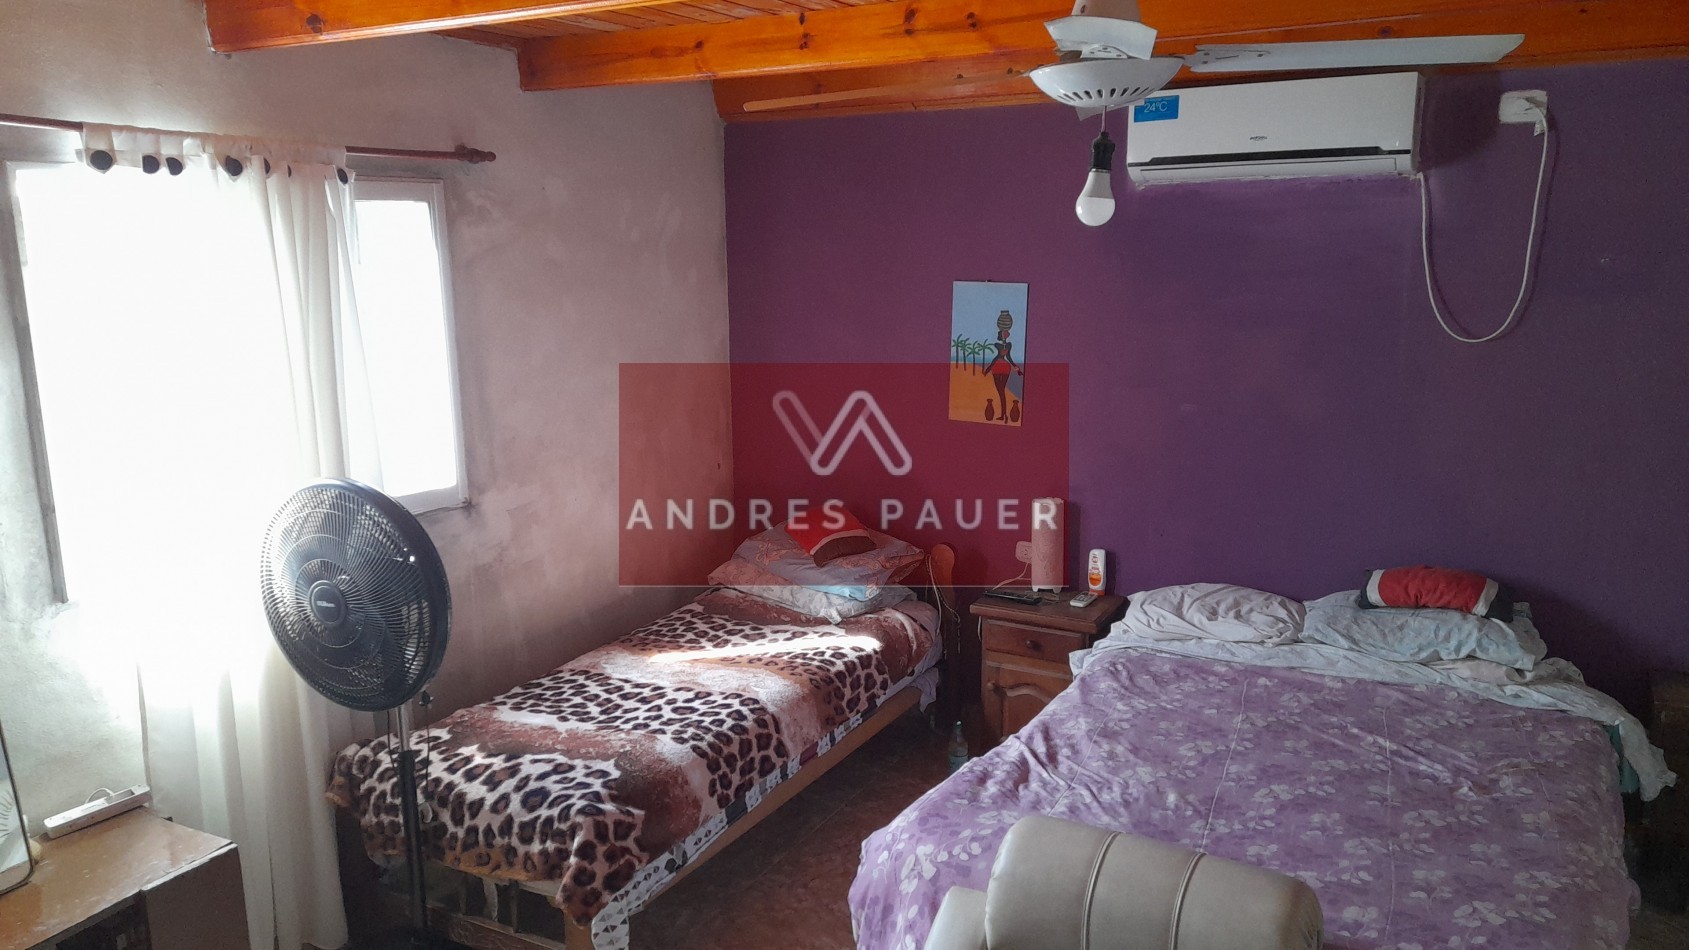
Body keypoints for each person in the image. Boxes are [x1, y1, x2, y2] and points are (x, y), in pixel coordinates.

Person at [982, 310, 1023, 423]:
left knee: (1001, 392)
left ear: (1001, 335)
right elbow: (1009, 358)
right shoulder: (1008, 345)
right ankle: (1004, 415)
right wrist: (1016, 368)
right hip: (1005, 367)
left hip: (998, 368)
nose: (999, 336)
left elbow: (997, 358)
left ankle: (1004, 415)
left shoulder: (998, 345)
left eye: (999, 335)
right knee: (1002, 392)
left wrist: (988, 369)